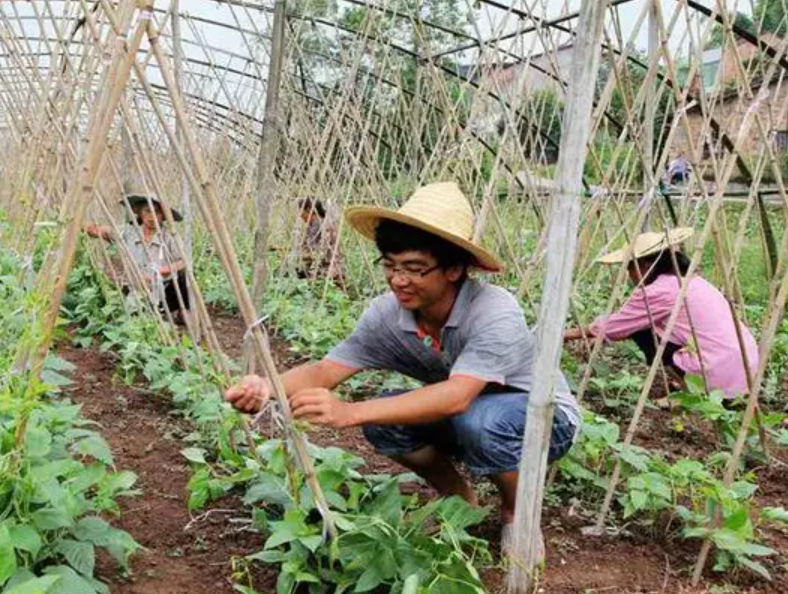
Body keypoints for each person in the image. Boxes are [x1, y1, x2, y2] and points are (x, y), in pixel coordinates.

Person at [226, 181, 581, 561]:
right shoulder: (387, 314)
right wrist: (266, 387)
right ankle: (459, 500)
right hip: (468, 418)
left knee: (481, 419)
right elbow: (327, 370)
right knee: (385, 421)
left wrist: (349, 411)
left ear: (454, 269)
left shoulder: (494, 310)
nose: (398, 280)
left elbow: (458, 397)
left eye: (414, 268)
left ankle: (518, 512)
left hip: (542, 419)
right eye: (390, 266)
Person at [564, 228, 759, 400]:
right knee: (644, 326)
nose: (629, 275)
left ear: (646, 266)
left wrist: (565, 335)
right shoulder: (691, 281)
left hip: (718, 370)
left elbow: (615, 326)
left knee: (640, 331)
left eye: (630, 267)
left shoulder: (657, 291)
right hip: (743, 368)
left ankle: (693, 393)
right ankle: (696, 385)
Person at [84, 195, 190, 323]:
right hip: (136, 290)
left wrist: (162, 271)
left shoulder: (169, 237)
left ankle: (178, 312)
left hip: (164, 290)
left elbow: (184, 261)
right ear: (139, 212)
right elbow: (104, 231)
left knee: (185, 278)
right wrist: (84, 226)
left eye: (157, 212)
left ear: (163, 215)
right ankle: (160, 314)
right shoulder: (129, 232)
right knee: (134, 310)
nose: (152, 216)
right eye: (147, 211)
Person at [296, 197, 346, 288]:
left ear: (309, 210)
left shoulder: (324, 226)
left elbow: (321, 254)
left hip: (329, 268)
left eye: (301, 212)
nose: (300, 215)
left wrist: (303, 256)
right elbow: (305, 248)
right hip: (318, 267)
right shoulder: (311, 227)